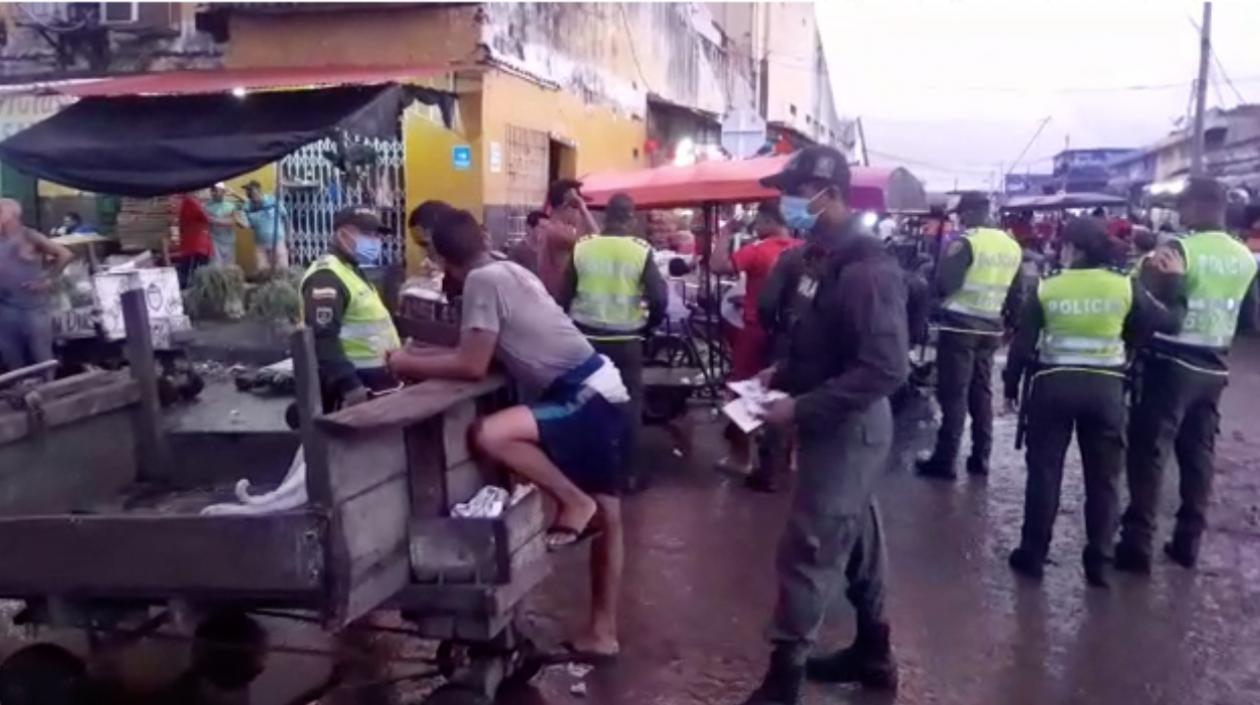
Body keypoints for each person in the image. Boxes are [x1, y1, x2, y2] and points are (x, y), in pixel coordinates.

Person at [388, 208, 629, 662]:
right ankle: (603, 632)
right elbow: (501, 348)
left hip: (582, 390)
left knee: (491, 435)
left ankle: (573, 502)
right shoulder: (510, 268)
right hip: (602, 384)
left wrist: (405, 363)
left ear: (441, 259)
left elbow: (471, 364)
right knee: (610, 520)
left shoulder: (483, 282)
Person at [736, 146, 908, 705]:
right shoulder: (823, 259)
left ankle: (783, 680)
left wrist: (800, 408)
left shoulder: (867, 269)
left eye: (795, 190)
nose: (786, 202)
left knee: (810, 546)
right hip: (832, 416)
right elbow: (820, 342)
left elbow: (884, 368)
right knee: (856, 534)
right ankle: (873, 653)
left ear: (829, 195)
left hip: (848, 425)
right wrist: (781, 372)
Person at [1002, 218, 1183, 588]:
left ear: (1074, 249)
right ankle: (1099, 562)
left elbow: (1022, 345)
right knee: (1103, 481)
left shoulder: (1047, 287)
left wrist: (1010, 385)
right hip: (1107, 391)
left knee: (1044, 474)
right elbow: (1168, 323)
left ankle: (1033, 554)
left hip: (1052, 388)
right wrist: (1172, 286)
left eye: (1064, 246)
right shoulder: (1124, 287)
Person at [1116, 177, 1260, 573]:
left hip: (1169, 364)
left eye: (1182, 205)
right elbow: (1250, 322)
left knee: (1149, 453)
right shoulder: (1245, 257)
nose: (1180, 213)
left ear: (1198, 206)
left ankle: (1137, 544)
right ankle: (1187, 543)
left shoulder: (1178, 250)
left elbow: (1144, 307)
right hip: (1214, 367)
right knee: (1198, 456)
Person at [560, 192, 667, 493]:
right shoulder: (640, 250)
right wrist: (649, 327)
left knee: (585, 401)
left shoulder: (583, 247)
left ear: (606, 216)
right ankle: (628, 476)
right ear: (631, 218)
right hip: (626, 342)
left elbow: (563, 296)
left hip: (586, 340)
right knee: (629, 405)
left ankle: (583, 474)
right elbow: (659, 298)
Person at [917, 192, 1023, 479]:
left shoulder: (966, 242)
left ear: (974, 212)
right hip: (990, 329)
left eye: (962, 213)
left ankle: (945, 460)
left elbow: (945, 284)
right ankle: (981, 457)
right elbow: (1017, 293)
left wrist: (933, 297)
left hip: (959, 327)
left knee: (954, 393)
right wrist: (1011, 324)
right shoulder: (1011, 245)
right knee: (981, 392)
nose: (960, 219)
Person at [711, 201, 799, 491]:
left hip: (756, 330)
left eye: (758, 219)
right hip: (791, 335)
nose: (755, 225)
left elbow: (717, 266)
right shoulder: (803, 249)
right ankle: (787, 460)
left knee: (741, 391)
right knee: (783, 392)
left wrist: (725, 233)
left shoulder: (759, 250)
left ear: (770, 219)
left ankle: (740, 457)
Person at [300, 207, 402, 410]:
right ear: (342, 234)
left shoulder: (352, 270)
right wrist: (349, 385)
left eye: (376, 235)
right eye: (367, 234)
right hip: (357, 384)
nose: (374, 241)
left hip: (376, 380)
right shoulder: (326, 277)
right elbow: (323, 337)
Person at [0, 199, 73, 373]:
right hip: (6, 308)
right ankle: (19, 396)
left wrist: (47, 279)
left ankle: (49, 394)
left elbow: (65, 254)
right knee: (12, 357)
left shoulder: (29, 236)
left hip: (33, 308)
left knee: (41, 356)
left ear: (13, 215)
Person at [537, 179, 598, 299]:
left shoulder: (553, 228)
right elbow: (597, 240)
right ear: (566, 205)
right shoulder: (556, 232)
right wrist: (583, 209)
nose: (579, 213)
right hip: (558, 300)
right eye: (576, 206)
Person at [243, 181, 290, 273]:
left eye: (252, 192)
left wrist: (288, 236)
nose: (250, 194)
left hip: (277, 242)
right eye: (248, 192)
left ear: (259, 191)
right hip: (260, 245)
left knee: (282, 271)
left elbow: (285, 218)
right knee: (262, 272)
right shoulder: (247, 207)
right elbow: (249, 224)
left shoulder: (273, 201)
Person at [173, 191, 213, 285]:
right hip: (197, 245)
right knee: (196, 272)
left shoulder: (186, 203)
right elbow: (206, 218)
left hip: (193, 244)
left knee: (190, 270)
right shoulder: (191, 202)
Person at [205, 183, 241, 268]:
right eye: (212, 191)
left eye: (216, 191)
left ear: (223, 192)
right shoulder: (206, 206)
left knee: (229, 268)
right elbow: (205, 221)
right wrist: (225, 220)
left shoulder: (230, 205)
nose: (214, 193)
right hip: (214, 242)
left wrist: (214, 220)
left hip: (229, 241)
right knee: (216, 268)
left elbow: (234, 221)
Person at [506, 210, 549, 274]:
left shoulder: (549, 251)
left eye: (548, 228)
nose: (546, 231)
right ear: (529, 228)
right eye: (542, 227)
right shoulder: (517, 251)